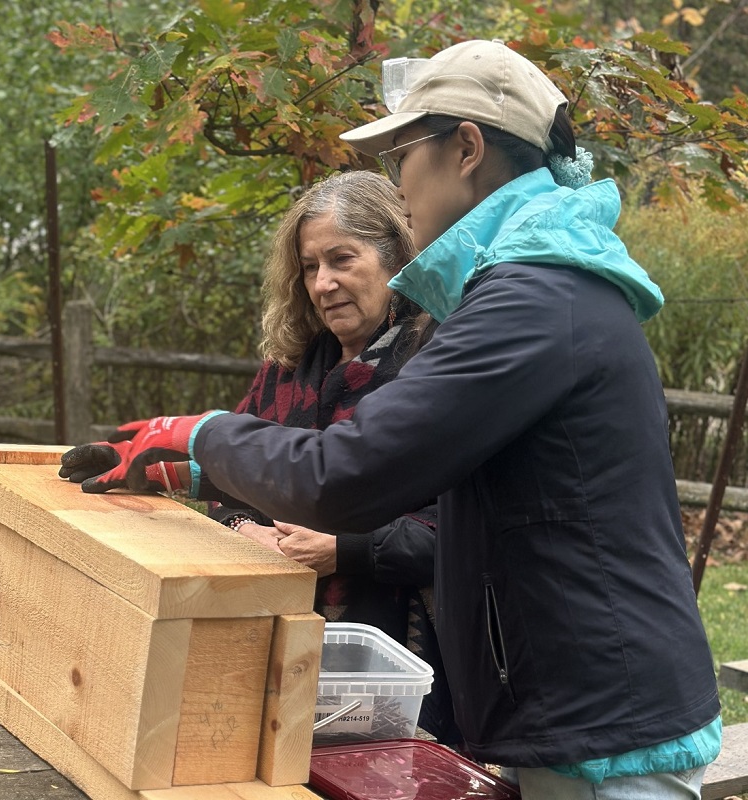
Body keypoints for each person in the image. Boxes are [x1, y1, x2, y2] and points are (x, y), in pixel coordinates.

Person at [60, 40, 722, 799]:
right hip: (589, 709)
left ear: (465, 148)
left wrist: (200, 432)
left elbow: (344, 474)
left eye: (403, 152)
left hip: (607, 730)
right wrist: (211, 469)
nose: (396, 181)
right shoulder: (539, 289)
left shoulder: (531, 302)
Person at [60, 170, 460, 745]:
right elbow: (240, 480)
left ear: (400, 253)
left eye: (342, 260)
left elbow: (465, 523)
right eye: (309, 266)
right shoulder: (291, 367)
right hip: (274, 646)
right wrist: (223, 514)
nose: (324, 283)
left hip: (404, 661)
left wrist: (347, 552)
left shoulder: (436, 362)